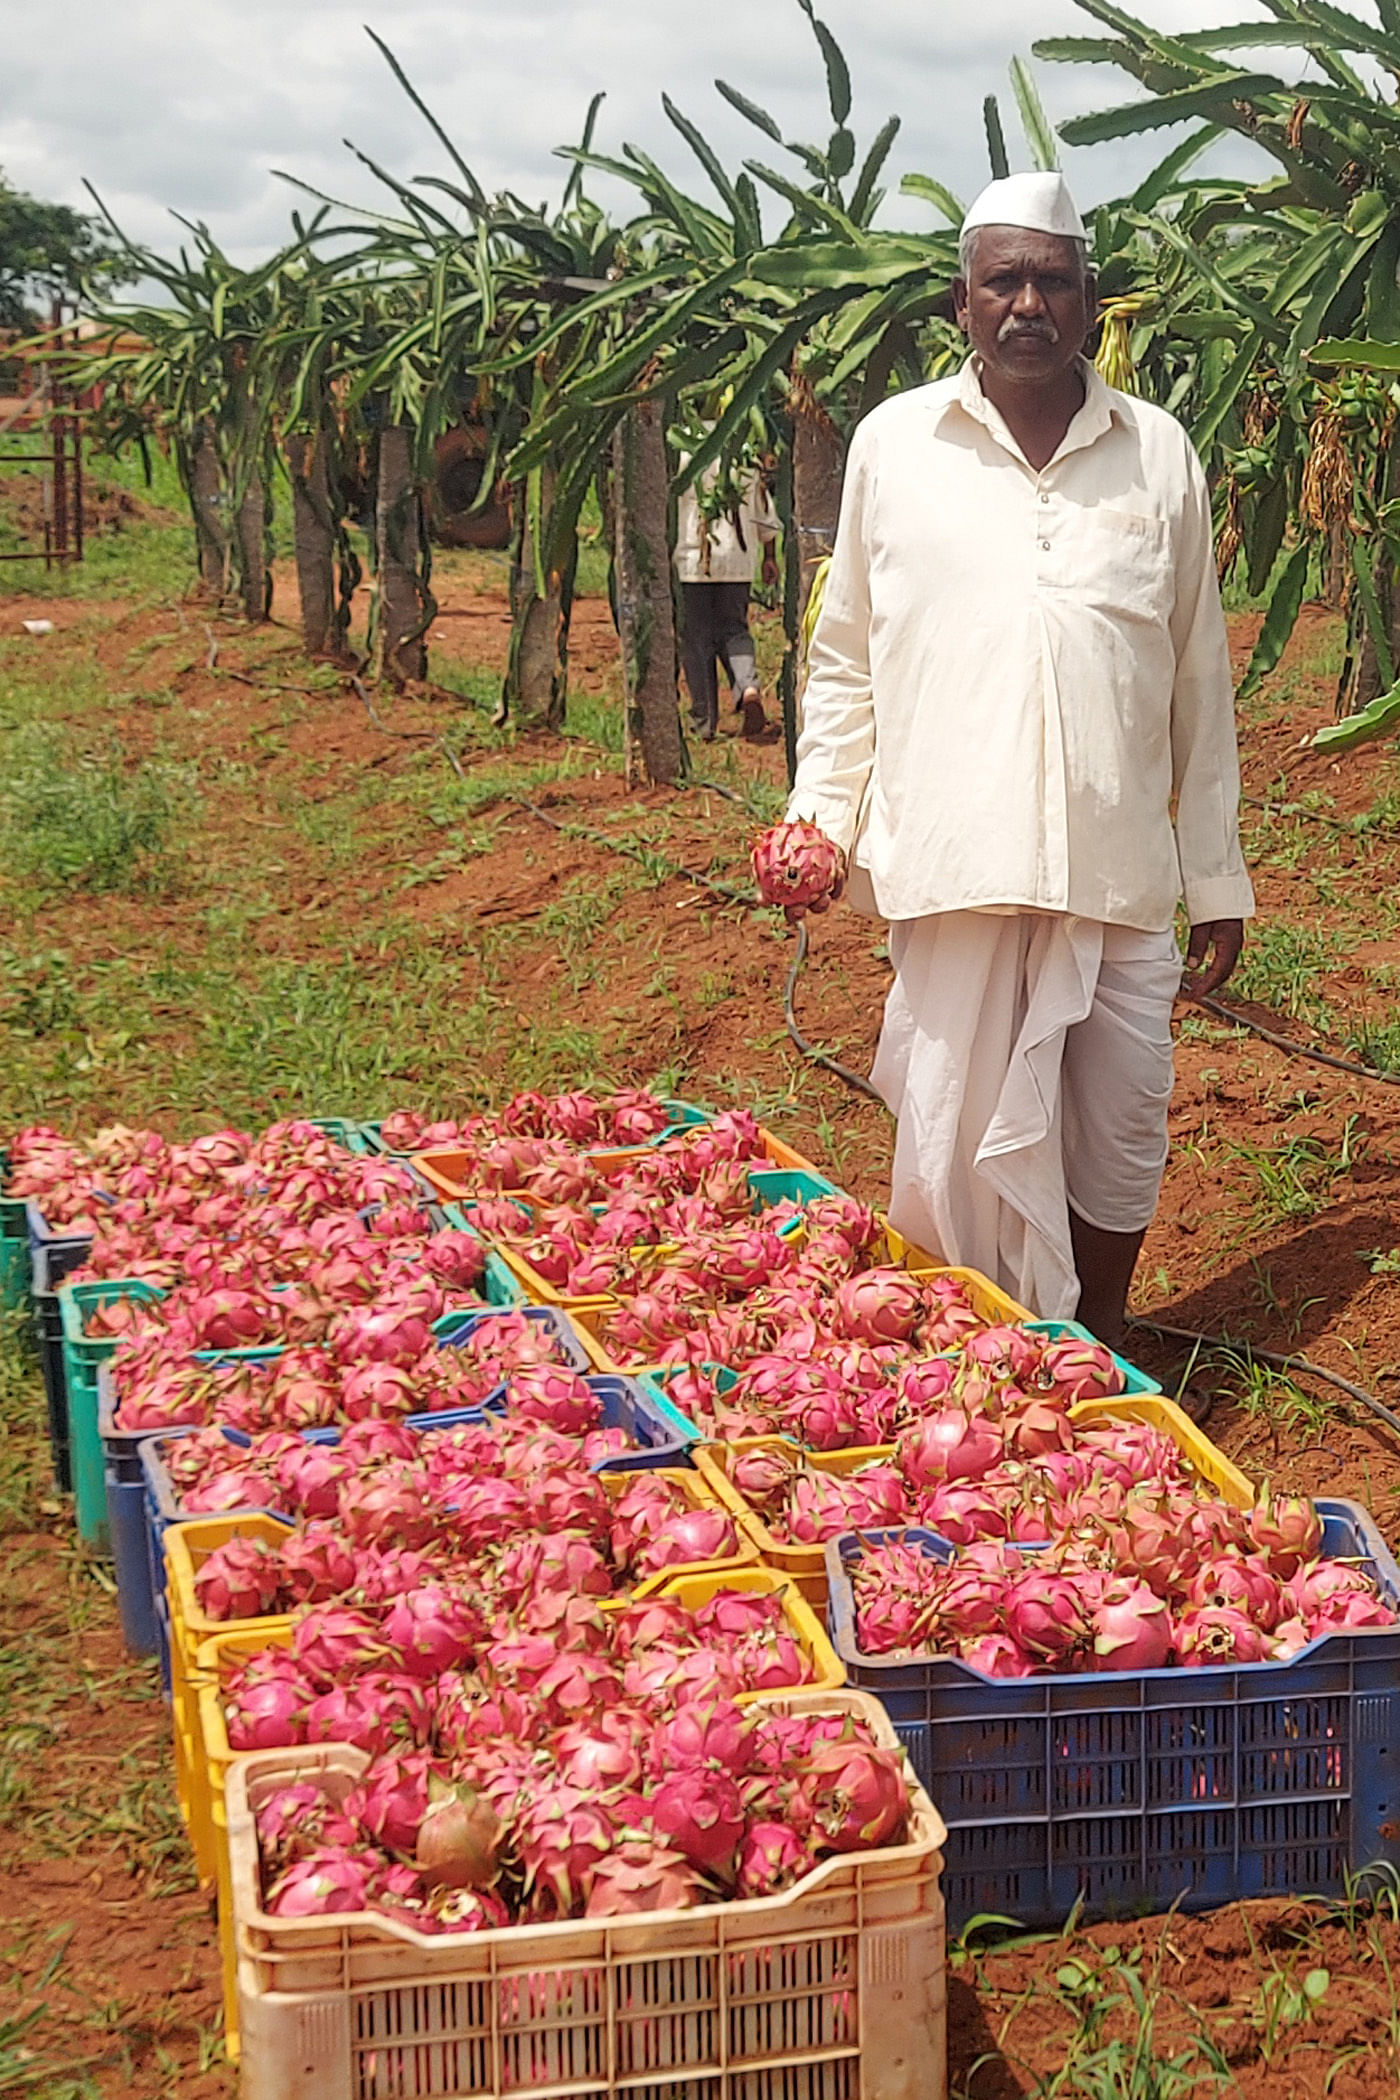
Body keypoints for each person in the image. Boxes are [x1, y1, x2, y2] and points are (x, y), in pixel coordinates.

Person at [784, 171, 1254, 1365]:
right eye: (1004, 280)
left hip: (1117, 863)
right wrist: (819, 817)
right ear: (962, 303)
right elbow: (843, 659)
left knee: (1119, 1123)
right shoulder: (896, 446)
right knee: (950, 1129)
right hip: (954, 858)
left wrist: (1216, 877)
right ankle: (963, 1363)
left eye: (1052, 278)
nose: (1028, 303)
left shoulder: (1155, 453)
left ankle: (1102, 1338)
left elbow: (1196, 675)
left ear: (1089, 301)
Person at [674, 457, 779, 740]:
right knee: (735, 629)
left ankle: (704, 721)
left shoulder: (678, 455)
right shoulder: (743, 454)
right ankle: (748, 688)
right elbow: (764, 513)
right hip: (737, 560)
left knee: (696, 641)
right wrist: (769, 557)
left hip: (691, 560)